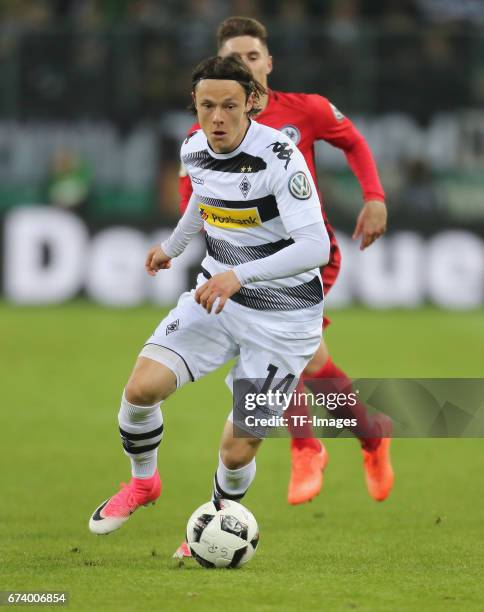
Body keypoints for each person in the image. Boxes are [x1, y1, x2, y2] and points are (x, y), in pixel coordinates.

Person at [89, 54, 330, 537]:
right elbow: (204, 197)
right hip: (216, 299)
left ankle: (215, 523)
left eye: (228, 107)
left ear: (252, 105)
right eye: (205, 107)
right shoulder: (194, 148)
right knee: (140, 390)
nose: (216, 118)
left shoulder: (281, 159)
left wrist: (240, 275)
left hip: (285, 319)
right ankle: (143, 483)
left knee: (237, 449)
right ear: (194, 106)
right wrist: (172, 247)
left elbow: (316, 246)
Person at [178, 17, 393, 509]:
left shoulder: (307, 110)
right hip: (245, 260)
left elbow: (354, 141)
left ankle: (309, 446)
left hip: (304, 256)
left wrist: (375, 197)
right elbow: (193, 190)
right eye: (235, 62)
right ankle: (367, 433)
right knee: (309, 358)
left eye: (252, 59)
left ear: (268, 64)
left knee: (287, 348)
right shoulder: (211, 128)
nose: (245, 67)